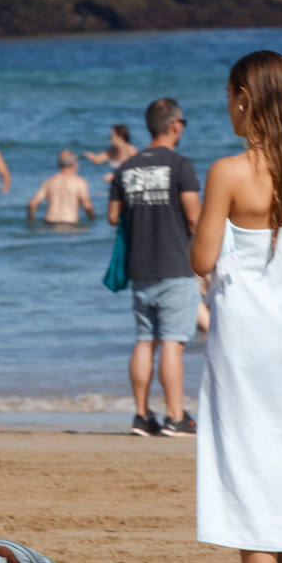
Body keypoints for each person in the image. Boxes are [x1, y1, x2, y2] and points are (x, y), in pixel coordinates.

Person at [189, 50, 282, 563]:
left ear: (245, 97)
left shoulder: (229, 172)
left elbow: (203, 259)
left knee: (248, 463)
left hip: (248, 337)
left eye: (228, 97)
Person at [108, 98, 201, 437]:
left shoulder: (126, 167)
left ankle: (141, 415)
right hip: (175, 264)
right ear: (175, 125)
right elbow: (195, 218)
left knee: (145, 340)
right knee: (174, 342)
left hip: (140, 266)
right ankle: (176, 416)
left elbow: (113, 217)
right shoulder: (180, 165)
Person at [27, 150, 95, 225]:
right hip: (69, 224)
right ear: (74, 164)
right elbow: (87, 206)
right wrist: (92, 219)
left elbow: (32, 203)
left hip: (49, 223)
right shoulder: (79, 182)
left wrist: (31, 219)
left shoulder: (49, 181)